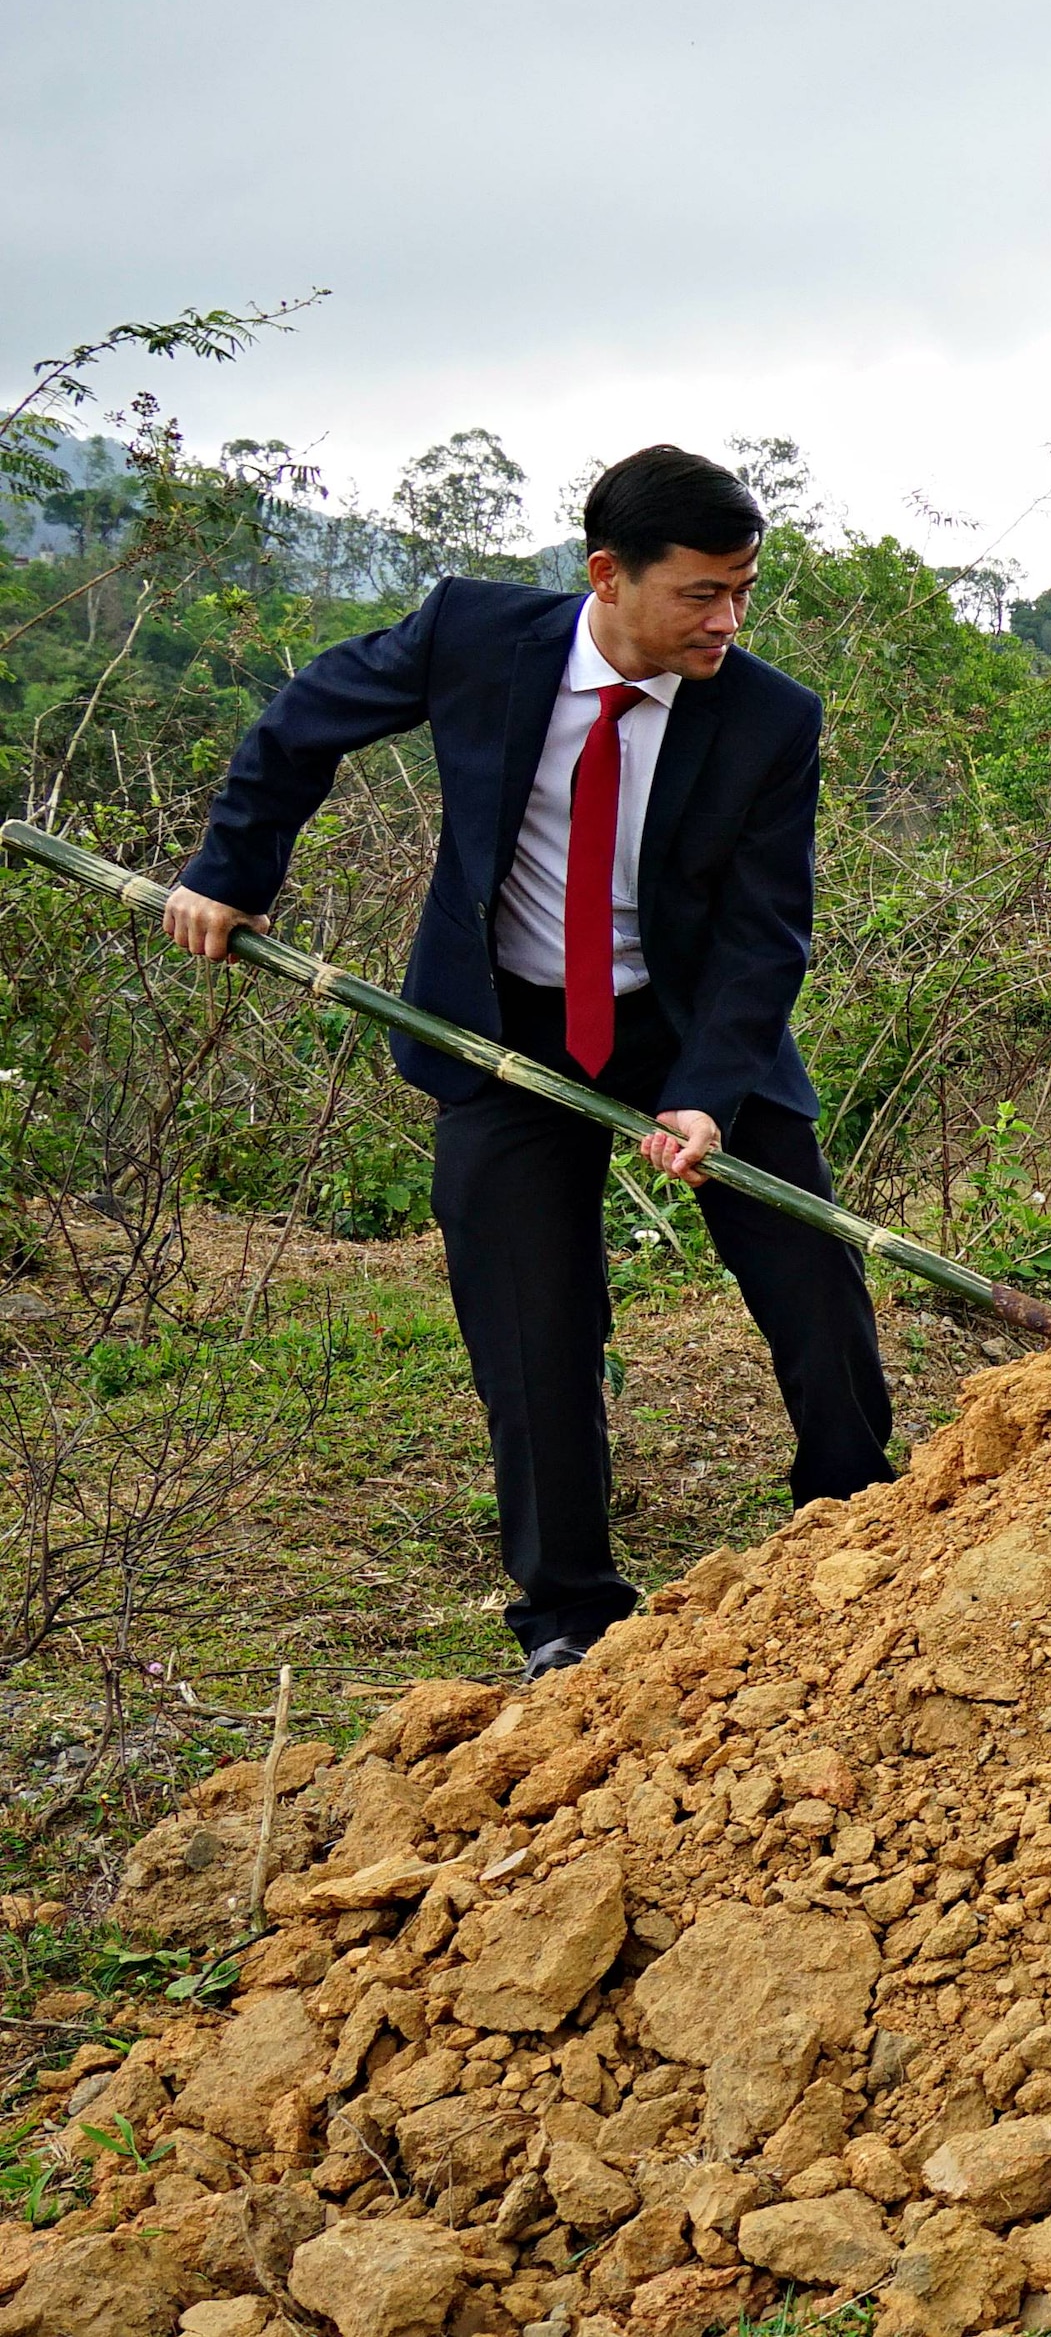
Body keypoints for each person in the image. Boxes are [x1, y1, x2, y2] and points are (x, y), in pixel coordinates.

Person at [170, 446, 888, 1681]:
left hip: (690, 1021)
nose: (728, 619)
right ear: (607, 575)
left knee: (810, 1271)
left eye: (743, 590)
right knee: (531, 1320)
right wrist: (231, 874)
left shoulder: (772, 716)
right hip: (501, 1023)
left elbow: (766, 930)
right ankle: (568, 1613)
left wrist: (709, 1095)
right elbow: (300, 726)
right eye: (701, 593)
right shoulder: (474, 634)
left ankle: (859, 1525)